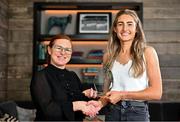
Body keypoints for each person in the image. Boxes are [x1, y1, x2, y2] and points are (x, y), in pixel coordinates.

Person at [88, 9, 162, 121]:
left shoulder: (148, 52)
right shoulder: (108, 56)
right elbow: (107, 92)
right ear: (114, 29)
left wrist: (122, 95)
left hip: (137, 113)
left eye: (130, 24)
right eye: (120, 24)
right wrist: (99, 104)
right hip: (113, 112)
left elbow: (156, 93)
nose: (125, 29)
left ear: (136, 29)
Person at [30, 34, 98, 121]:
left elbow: (78, 103)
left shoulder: (73, 75)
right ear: (49, 50)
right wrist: (77, 105)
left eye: (67, 50)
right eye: (58, 48)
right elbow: (48, 111)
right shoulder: (40, 76)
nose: (63, 52)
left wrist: (87, 96)